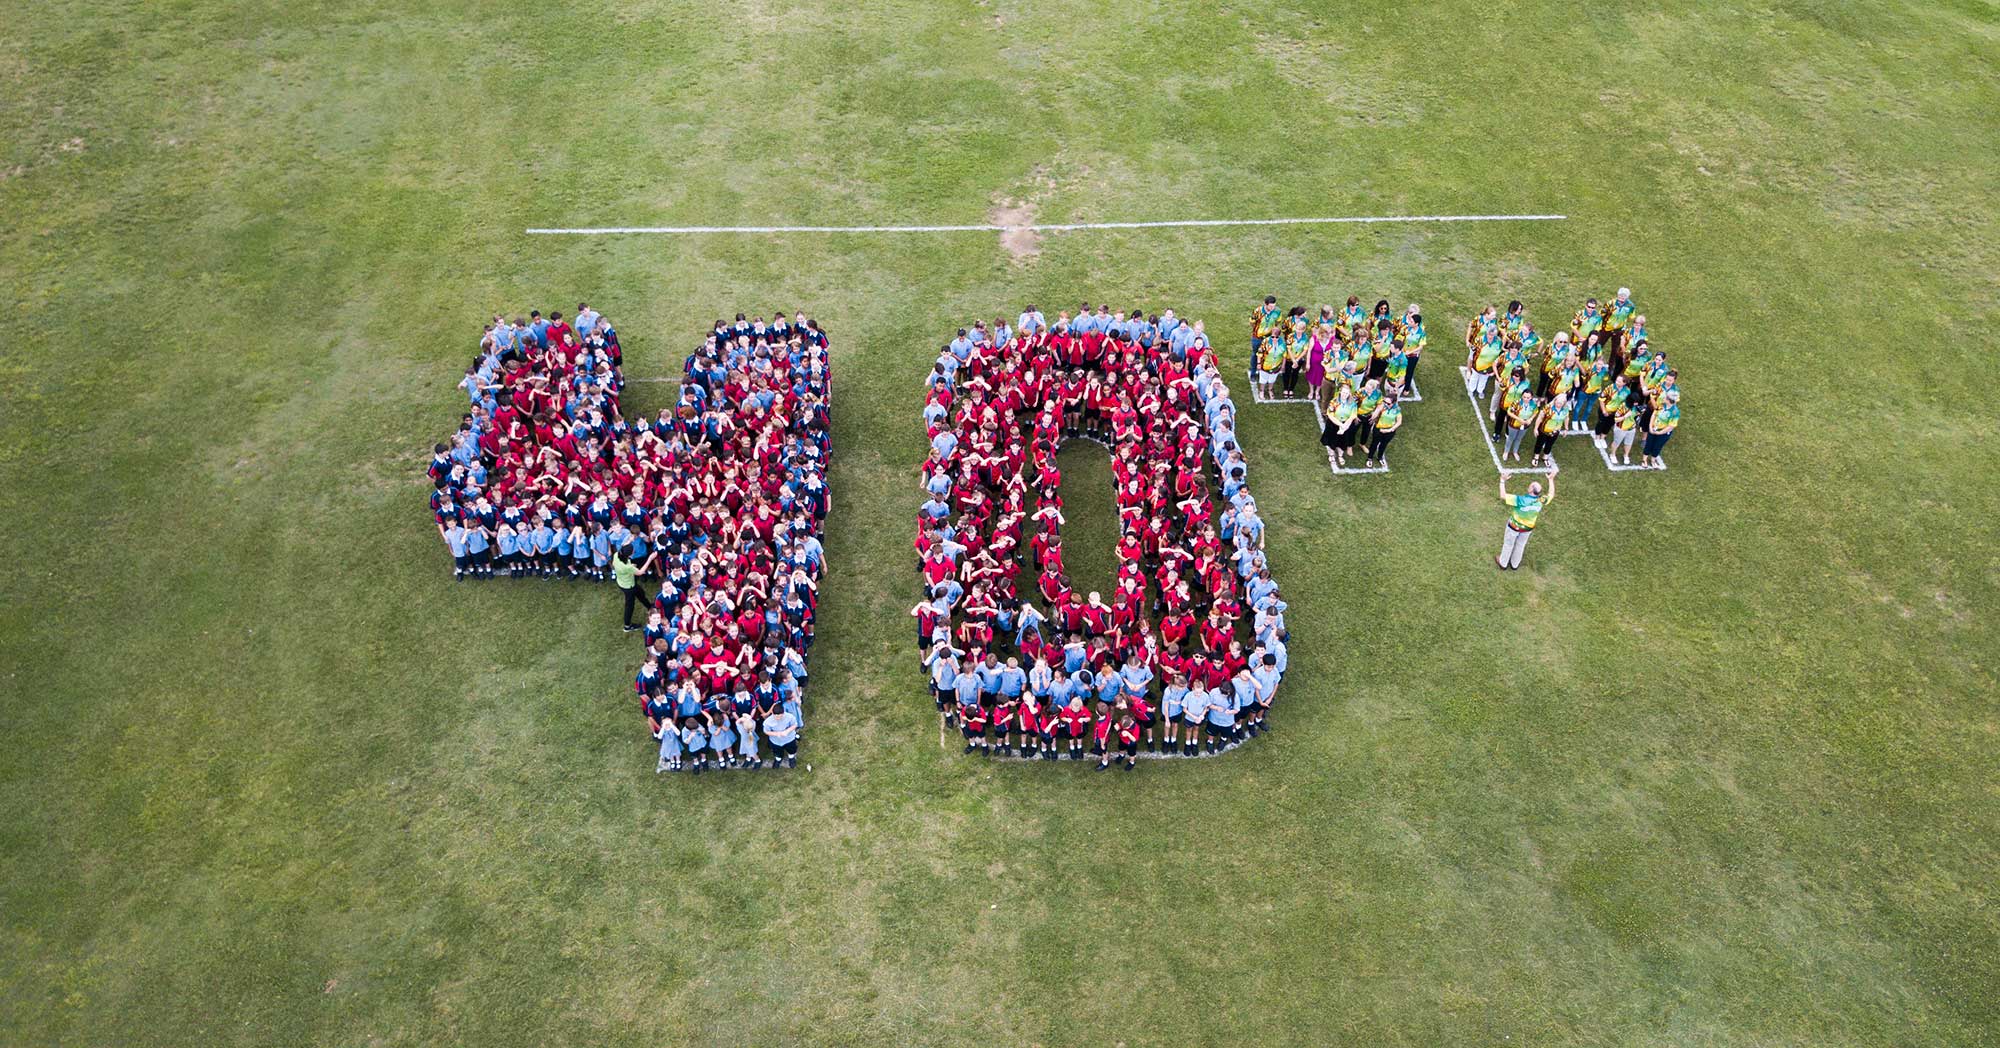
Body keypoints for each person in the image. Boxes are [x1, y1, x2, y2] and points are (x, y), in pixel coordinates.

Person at [1496, 470, 1556, 571]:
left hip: (1514, 526)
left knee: (1508, 544)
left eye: (1530, 485)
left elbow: (1503, 495)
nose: (1529, 485)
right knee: (1520, 545)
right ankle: (1515, 565)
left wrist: (1502, 480)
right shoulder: (1541, 500)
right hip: (1528, 528)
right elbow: (1551, 494)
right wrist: (1551, 480)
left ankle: (1503, 563)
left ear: (1531, 490)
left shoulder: (1521, 500)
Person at [611, 545, 652, 632]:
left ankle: (649, 607)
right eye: (633, 551)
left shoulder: (616, 555)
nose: (634, 551)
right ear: (629, 555)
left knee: (640, 593)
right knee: (630, 606)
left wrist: (630, 564)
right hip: (628, 587)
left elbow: (614, 564)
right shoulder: (627, 567)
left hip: (622, 582)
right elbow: (640, 572)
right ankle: (627, 626)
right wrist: (650, 559)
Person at [1643, 388, 1680, 469]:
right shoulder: (1661, 405)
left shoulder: (1675, 412)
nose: (1663, 398)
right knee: (1649, 443)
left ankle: (1653, 460)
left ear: (1670, 400)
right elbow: (1654, 415)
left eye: (1666, 397)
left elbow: (1671, 426)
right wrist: (1650, 427)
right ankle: (1644, 459)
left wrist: (1660, 433)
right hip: (1654, 428)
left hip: (1663, 433)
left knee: (1657, 446)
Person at [1364, 392, 1402, 468]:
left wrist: (1390, 430)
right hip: (1378, 429)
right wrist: (1378, 410)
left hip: (1389, 431)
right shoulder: (1382, 406)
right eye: (1384, 401)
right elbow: (1374, 415)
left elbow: (1399, 422)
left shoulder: (1397, 409)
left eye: (1388, 403)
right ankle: (1370, 457)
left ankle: (1380, 457)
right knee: (1374, 443)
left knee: (1384, 444)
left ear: (1393, 403)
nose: (1385, 404)